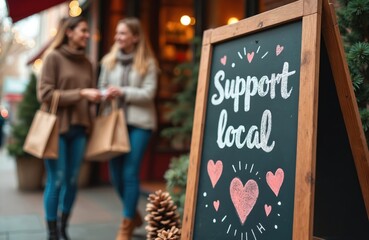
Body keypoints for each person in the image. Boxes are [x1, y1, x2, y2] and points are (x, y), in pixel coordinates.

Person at [38, 16, 101, 240]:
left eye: (87, 31)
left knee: (73, 180)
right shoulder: (53, 58)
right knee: (57, 179)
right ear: (69, 32)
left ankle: (64, 226)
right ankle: (52, 232)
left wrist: (97, 96)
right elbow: (45, 94)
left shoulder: (88, 63)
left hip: (80, 128)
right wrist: (82, 94)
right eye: (83, 30)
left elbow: (89, 93)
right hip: (56, 128)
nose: (87, 35)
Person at [98, 17, 159, 240]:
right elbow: (101, 89)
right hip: (114, 124)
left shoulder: (148, 63)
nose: (118, 38)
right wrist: (107, 93)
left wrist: (123, 91)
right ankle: (132, 214)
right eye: (117, 33)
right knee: (116, 176)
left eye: (123, 34)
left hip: (140, 124)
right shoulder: (108, 61)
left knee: (130, 172)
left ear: (135, 37)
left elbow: (148, 94)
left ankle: (125, 225)